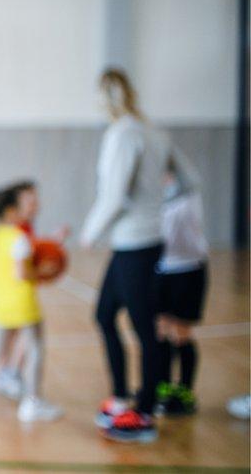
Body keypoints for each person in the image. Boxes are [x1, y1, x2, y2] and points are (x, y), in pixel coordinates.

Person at [80, 67, 197, 443]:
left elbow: (114, 195)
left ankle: (145, 411)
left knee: (145, 328)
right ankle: (121, 396)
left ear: (105, 98)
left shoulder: (123, 133)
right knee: (104, 314)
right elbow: (190, 180)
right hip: (139, 242)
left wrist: (89, 233)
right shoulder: (154, 132)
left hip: (135, 245)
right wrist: (156, 203)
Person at [0, 185, 63, 423]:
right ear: (11, 210)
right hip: (23, 304)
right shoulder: (19, 239)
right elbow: (22, 274)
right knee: (35, 350)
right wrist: (44, 270)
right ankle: (32, 404)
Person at [0, 181, 69, 400]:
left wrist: (53, 242)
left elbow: (32, 249)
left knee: (10, 337)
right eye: (31, 201)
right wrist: (43, 269)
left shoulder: (20, 229)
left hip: (6, 296)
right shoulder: (16, 231)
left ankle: (4, 375)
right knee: (25, 340)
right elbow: (24, 266)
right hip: (17, 297)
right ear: (14, 207)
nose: (36, 205)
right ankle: (11, 378)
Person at [154, 171, 208, 416]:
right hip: (161, 270)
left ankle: (185, 391)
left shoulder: (187, 198)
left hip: (188, 269)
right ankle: (163, 387)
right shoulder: (152, 201)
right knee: (161, 329)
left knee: (181, 333)